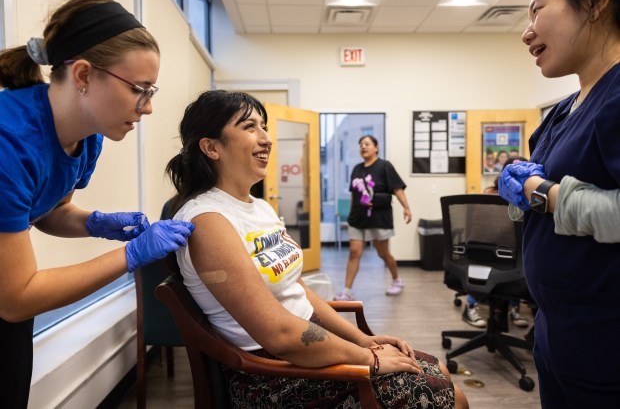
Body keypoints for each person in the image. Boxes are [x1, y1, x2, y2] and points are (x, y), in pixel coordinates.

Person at [165, 90, 469, 408]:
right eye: (249, 127)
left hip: (304, 347)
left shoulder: (259, 207)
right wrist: (369, 359)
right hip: (273, 375)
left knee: (440, 371)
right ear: (211, 147)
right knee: (454, 399)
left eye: (264, 126)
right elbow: (280, 335)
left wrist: (363, 340)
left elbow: (298, 292)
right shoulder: (208, 221)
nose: (266, 138)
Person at [0, 0, 195, 407]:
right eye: (139, 90)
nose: (149, 106)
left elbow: (48, 211)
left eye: (151, 91)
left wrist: (96, 222)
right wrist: (132, 255)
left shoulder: (87, 136)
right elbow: (16, 297)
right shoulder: (8, 142)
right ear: (84, 74)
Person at [498, 0, 620, 406]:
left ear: (595, 3)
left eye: (538, 9)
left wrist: (543, 195)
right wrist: (523, 192)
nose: (526, 30)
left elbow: (549, 196)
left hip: (604, 347)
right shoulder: (563, 110)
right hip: (555, 334)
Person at [333, 135, 412, 301]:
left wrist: (406, 208)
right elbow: (354, 195)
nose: (363, 146)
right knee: (354, 253)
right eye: (361, 144)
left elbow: (397, 189)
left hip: (379, 217)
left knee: (383, 253)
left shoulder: (384, 166)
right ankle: (347, 291)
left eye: (367, 144)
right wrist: (351, 213)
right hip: (358, 218)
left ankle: (397, 280)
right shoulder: (356, 169)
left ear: (376, 147)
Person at [462, 157, 531, 329]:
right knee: (519, 262)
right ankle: (514, 308)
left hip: (480, 256)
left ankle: (473, 305)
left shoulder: (486, 194)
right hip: (500, 257)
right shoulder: (522, 201)